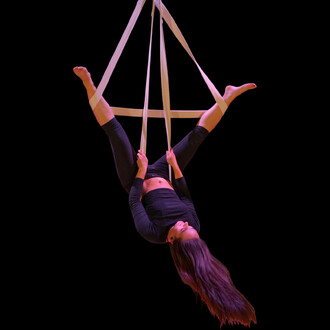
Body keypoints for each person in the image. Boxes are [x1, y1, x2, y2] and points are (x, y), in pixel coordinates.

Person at [74, 66, 257, 327]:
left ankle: (89, 84)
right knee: (197, 137)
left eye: (183, 229)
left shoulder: (153, 233)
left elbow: (133, 200)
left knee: (116, 132)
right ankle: (227, 96)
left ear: (171, 239)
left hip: (136, 179)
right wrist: (175, 165)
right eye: (191, 227)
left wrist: (140, 172)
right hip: (164, 172)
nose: (187, 224)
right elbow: (186, 198)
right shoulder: (194, 226)